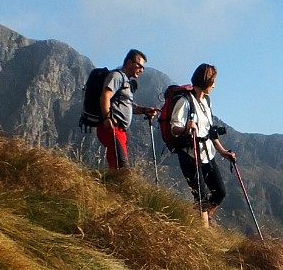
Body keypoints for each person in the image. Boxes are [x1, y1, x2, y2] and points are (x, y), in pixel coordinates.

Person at [169, 63, 236, 226]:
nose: (214, 85)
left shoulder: (206, 102)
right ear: (205, 80)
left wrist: (222, 151)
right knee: (202, 196)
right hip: (190, 154)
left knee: (219, 192)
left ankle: (200, 219)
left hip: (207, 154)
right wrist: (186, 128)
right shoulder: (185, 101)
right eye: (213, 81)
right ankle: (203, 230)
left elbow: (209, 132)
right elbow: (174, 128)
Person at [97, 49, 157, 170]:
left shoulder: (126, 82)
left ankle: (112, 187)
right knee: (122, 167)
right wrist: (107, 117)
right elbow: (106, 95)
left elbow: (127, 106)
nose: (141, 70)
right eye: (139, 66)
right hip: (112, 127)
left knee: (119, 166)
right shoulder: (117, 76)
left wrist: (144, 110)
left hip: (120, 130)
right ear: (129, 63)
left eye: (143, 68)